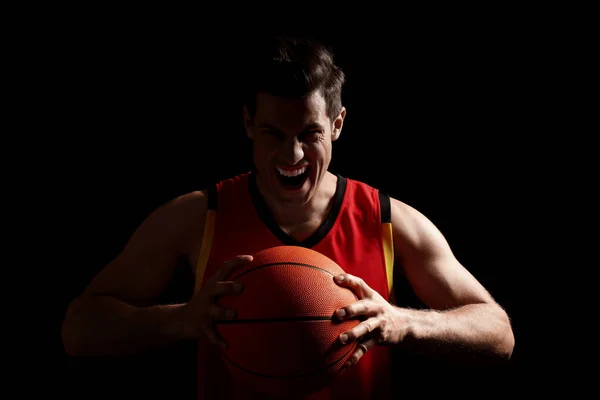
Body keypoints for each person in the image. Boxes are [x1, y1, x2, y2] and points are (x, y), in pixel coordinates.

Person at [61, 35, 515, 399]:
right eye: (273, 134)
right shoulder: (199, 216)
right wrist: (180, 319)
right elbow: (79, 328)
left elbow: (499, 333)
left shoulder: (387, 220)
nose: (291, 154)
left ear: (337, 124)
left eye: (310, 133)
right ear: (247, 125)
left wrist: (402, 322)